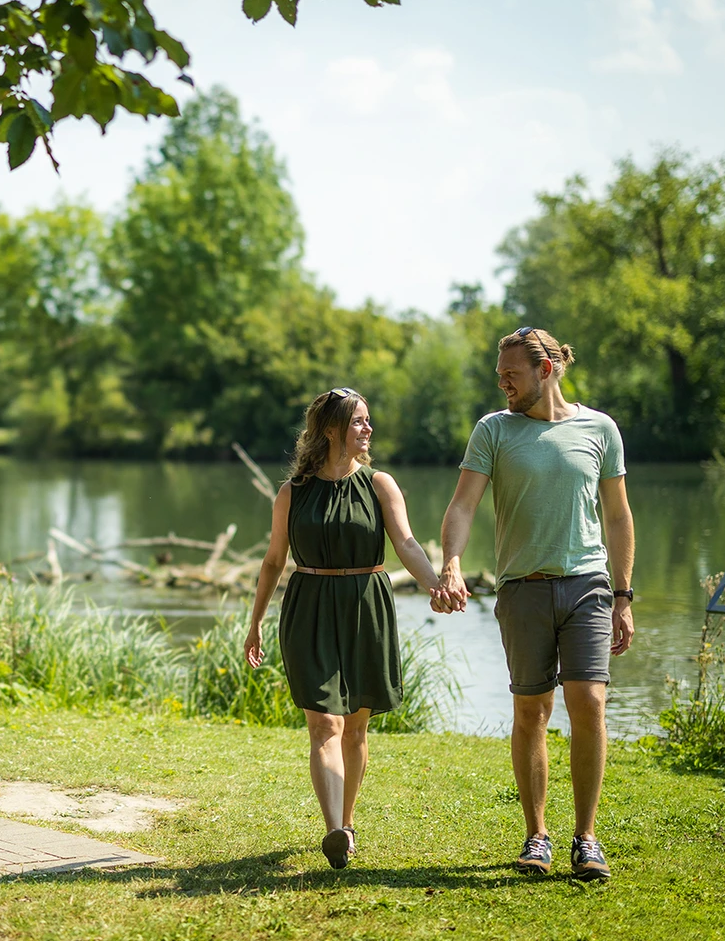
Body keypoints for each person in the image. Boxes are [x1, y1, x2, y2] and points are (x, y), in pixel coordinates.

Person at [433, 327, 634, 881]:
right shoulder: (493, 431)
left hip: (588, 584)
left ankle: (587, 838)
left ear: (545, 371)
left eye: (511, 375)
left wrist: (623, 595)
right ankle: (537, 835)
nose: (502, 384)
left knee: (589, 702)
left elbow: (617, 516)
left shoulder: (600, 429)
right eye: (499, 375)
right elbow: (462, 506)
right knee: (531, 710)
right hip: (521, 587)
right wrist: (451, 562)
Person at [244, 388, 445, 869]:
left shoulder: (380, 484)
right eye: (358, 421)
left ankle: (347, 823)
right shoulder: (293, 492)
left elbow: (408, 544)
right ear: (331, 429)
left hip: (366, 608)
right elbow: (274, 561)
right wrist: (254, 624)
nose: (368, 429)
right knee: (324, 723)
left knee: (355, 728)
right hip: (309, 609)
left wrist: (438, 584)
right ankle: (333, 828)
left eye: (368, 421)